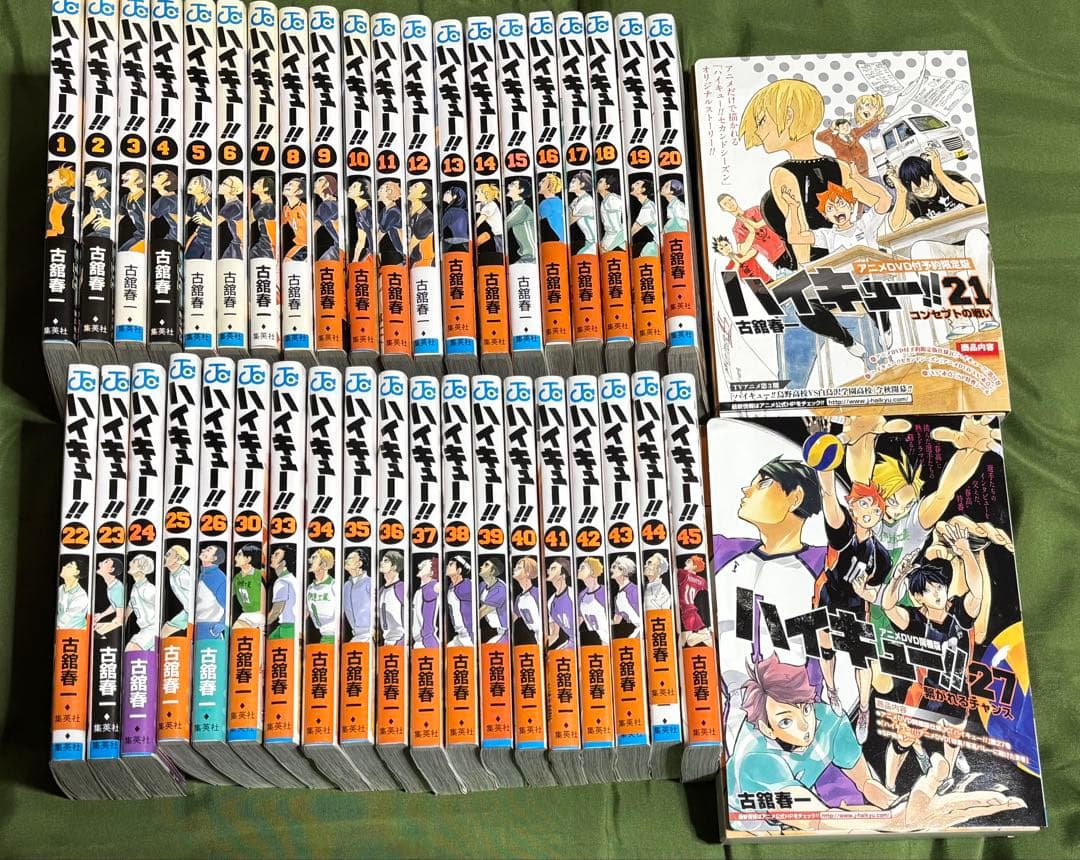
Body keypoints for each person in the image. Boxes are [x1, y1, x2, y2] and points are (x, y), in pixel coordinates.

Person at [725, 655, 1022, 833]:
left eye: (804, 708)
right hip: (748, 821)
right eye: (786, 722)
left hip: (806, 814)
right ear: (766, 728)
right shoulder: (757, 759)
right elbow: (816, 820)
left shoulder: (828, 720)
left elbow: (866, 783)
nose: (805, 725)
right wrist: (894, 820)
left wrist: (902, 805)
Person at [736, 78, 885, 266]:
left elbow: (801, 241)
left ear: (788, 116)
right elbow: (880, 201)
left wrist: (808, 273)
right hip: (848, 258)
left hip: (821, 269)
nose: (758, 131)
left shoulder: (783, 174)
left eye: (761, 121)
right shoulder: (840, 167)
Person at [881, 523, 984, 791]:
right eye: (929, 590)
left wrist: (966, 552)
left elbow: (978, 593)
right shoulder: (915, 621)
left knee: (953, 735)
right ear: (918, 597)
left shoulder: (959, 613)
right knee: (904, 739)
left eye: (939, 586)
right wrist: (897, 577)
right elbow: (888, 606)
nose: (937, 593)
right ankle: (889, 785)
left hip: (957, 690)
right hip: (925, 693)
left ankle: (947, 774)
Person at [816, 470, 892, 742]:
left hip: (856, 606)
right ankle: (831, 689)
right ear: (852, 508)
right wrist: (824, 468)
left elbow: (877, 592)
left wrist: (865, 592)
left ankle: (863, 709)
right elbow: (828, 496)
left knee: (861, 659)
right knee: (825, 647)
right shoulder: (843, 532)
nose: (870, 511)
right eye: (864, 504)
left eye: (875, 508)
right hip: (829, 597)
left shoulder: (881, 556)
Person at [124, 554, 158, 651]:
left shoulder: (149, 589)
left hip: (152, 629)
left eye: (134, 562)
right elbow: (131, 606)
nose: (130, 563)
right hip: (144, 629)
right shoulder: (135, 586)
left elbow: (159, 607)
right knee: (129, 651)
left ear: (141, 569)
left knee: (132, 650)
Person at [193, 546, 227, 639]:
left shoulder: (219, 577)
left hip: (210, 628)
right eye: (205, 549)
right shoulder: (201, 573)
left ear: (214, 558)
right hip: (197, 626)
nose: (203, 550)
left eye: (208, 550)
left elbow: (227, 606)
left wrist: (218, 627)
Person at [266, 547, 298, 640]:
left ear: (283, 563)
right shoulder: (291, 578)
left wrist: (262, 623)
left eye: (276, 555)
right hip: (289, 625)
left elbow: (276, 611)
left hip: (288, 628)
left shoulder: (282, 581)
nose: (272, 556)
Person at [159, 546, 192, 638]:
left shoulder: (183, 576)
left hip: (195, 613)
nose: (164, 557)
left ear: (177, 559)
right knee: (164, 632)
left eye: (168, 555)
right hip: (187, 611)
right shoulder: (173, 573)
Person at [306, 548, 337, 643]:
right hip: (323, 635)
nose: (309, 560)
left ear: (323, 564)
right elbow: (306, 612)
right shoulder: (310, 587)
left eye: (314, 558)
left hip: (334, 636)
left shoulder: (334, 585)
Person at [504, 178, 537, 264]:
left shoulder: (522, 208)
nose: (508, 186)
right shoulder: (517, 207)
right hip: (527, 256)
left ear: (521, 190)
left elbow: (505, 224)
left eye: (513, 184)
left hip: (531, 256)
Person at [577, 557, 609, 646]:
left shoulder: (604, 592)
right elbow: (579, 618)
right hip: (598, 639)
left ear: (592, 571)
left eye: (582, 568)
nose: (578, 570)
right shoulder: (581, 595)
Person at [342, 550, 372, 643]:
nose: (346, 560)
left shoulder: (370, 582)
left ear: (359, 563)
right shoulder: (346, 585)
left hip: (369, 635)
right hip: (356, 635)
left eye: (350, 558)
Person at [377, 550, 406, 646]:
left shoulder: (401, 587)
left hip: (399, 641)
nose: (381, 563)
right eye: (382, 560)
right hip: (386, 642)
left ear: (394, 566)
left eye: (386, 561)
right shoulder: (381, 590)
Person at [232, 544, 265, 629]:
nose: (235, 557)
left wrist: (262, 618)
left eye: (239, 555)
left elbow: (264, 596)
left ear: (248, 559)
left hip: (258, 614)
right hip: (246, 614)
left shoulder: (258, 575)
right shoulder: (236, 577)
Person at [511, 558, 542, 645]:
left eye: (519, 568)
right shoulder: (519, 598)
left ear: (527, 573)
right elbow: (512, 618)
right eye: (515, 567)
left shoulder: (537, 593)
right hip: (536, 637)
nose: (514, 569)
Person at [477, 558, 508, 645]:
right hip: (496, 631)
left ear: (492, 571)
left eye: (486, 565)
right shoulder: (482, 585)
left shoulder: (500, 589)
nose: (481, 567)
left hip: (506, 632)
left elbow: (483, 611)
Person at [610, 556, 642, 638]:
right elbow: (617, 619)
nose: (611, 569)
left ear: (623, 570)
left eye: (614, 567)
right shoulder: (618, 596)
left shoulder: (635, 590)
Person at [411, 558, 440, 648]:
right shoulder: (419, 590)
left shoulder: (433, 585)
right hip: (419, 641)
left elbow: (439, 586)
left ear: (431, 573)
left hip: (428, 641)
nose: (422, 564)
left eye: (426, 565)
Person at [445, 556, 474, 646]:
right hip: (460, 635)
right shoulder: (452, 586)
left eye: (451, 564)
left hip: (469, 635)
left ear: (459, 570)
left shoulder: (466, 585)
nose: (447, 566)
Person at [545, 561, 574, 649]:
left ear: (563, 575)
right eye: (549, 568)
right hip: (572, 642)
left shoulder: (573, 594)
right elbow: (554, 634)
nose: (548, 571)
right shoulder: (550, 602)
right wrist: (541, 649)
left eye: (553, 568)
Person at [567, 171, 597, 255]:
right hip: (588, 242)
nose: (570, 184)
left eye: (573, 182)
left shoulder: (587, 201)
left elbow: (568, 222)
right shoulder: (576, 200)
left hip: (594, 244)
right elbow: (564, 216)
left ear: (582, 184)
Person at [184, 175, 214, 259]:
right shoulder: (193, 200)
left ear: (204, 188)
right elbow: (186, 218)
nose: (190, 185)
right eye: (191, 182)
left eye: (195, 183)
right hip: (199, 237)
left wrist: (204, 220)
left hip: (211, 240)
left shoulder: (210, 203)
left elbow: (218, 225)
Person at [313, 174, 341, 261]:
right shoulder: (333, 202)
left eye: (319, 180)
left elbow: (311, 230)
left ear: (326, 184)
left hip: (341, 250)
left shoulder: (327, 205)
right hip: (339, 247)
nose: (315, 182)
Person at [376, 180, 404, 266]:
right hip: (394, 252)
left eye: (381, 189)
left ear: (389, 192)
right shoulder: (384, 210)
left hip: (401, 254)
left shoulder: (394, 212)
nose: (378, 191)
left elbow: (380, 234)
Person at [406, 181, 435, 267]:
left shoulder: (428, 219)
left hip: (423, 262)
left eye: (415, 187)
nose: (410, 188)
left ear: (423, 195)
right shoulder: (408, 210)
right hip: (411, 260)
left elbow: (410, 246)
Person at [118, 168, 146, 252]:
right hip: (139, 235)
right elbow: (119, 216)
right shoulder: (126, 198)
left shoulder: (144, 198)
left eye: (128, 174)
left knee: (130, 252)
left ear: (139, 180)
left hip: (146, 236)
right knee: (122, 251)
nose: (123, 175)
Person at [596, 173, 626, 253]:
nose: (597, 184)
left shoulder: (612, 198)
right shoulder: (605, 200)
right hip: (610, 234)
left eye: (600, 182)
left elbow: (625, 207)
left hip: (616, 234)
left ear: (607, 186)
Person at [629, 178, 659, 258]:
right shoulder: (649, 204)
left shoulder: (647, 208)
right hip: (656, 244)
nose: (632, 185)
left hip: (657, 247)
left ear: (643, 189)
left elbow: (631, 232)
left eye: (637, 184)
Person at [56, 561, 89, 630]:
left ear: (77, 572)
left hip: (74, 631)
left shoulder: (81, 596)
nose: (63, 567)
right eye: (65, 565)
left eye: (69, 566)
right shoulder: (61, 588)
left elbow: (66, 623)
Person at [474, 183, 504, 259]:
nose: (475, 193)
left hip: (499, 234)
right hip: (494, 233)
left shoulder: (491, 205)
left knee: (500, 254)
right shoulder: (480, 205)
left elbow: (478, 222)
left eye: (478, 191)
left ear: (485, 194)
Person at [281, 178, 308, 261]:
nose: (286, 185)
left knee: (287, 261)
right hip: (298, 245)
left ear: (299, 191)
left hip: (306, 245)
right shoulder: (285, 208)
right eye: (286, 183)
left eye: (290, 184)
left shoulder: (305, 209)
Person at [46, 165, 77, 238]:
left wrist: (77, 204)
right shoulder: (50, 193)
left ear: (63, 180)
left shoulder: (60, 192)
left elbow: (74, 195)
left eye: (53, 174)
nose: (49, 174)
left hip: (51, 232)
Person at [217, 175, 244, 259]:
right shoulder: (233, 203)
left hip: (240, 246)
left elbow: (213, 223)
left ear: (233, 189)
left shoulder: (233, 206)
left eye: (224, 184)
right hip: (236, 244)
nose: (220, 185)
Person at [249, 176, 276, 258]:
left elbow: (247, 220)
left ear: (266, 189)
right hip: (262, 244)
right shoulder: (260, 202)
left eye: (258, 183)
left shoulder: (266, 205)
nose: (254, 183)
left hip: (269, 248)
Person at [149, 169, 179, 244]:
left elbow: (146, 220)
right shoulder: (174, 197)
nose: (154, 176)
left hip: (174, 238)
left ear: (167, 183)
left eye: (159, 175)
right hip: (175, 236)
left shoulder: (165, 200)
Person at [347, 179, 373, 262]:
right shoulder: (358, 210)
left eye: (354, 187)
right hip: (371, 252)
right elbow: (361, 240)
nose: (349, 188)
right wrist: (355, 260)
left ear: (361, 193)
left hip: (375, 253)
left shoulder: (367, 211)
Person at [82, 167, 112, 239]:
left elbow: (122, 214)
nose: (87, 175)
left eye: (92, 174)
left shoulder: (108, 196)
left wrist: (111, 222)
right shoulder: (92, 195)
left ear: (102, 180)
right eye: (88, 173)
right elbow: (92, 214)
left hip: (109, 232)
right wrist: (80, 227)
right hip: (99, 231)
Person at [440, 185, 470, 254]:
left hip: (455, 242)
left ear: (454, 196)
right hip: (466, 242)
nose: (444, 193)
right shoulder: (465, 212)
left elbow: (441, 227)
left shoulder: (451, 211)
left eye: (448, 192)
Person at [537, 173, 566, 244]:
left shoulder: (546, 203)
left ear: (550, 186)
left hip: (554, 242)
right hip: (563, 240)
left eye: (543, 181)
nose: (539, 183)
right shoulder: (559, 201)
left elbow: (534, 221)